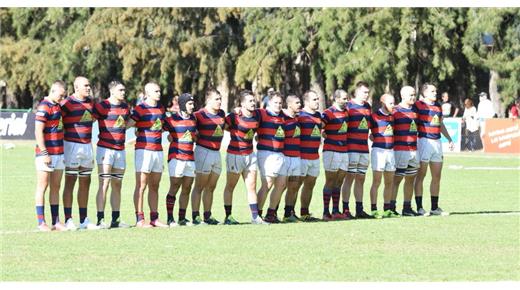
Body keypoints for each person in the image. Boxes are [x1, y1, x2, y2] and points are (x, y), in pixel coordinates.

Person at [61, 76, 99, 230]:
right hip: (71, 146)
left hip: (87, 146)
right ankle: (69, 219)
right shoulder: (67, 103)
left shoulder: (91, 103)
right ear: (76, 87)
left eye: (89, 85)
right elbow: (58, 121)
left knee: (86, 182)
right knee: (70, 181)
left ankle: (84, 220)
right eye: (86, 85)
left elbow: (93, 118)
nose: (89, 88)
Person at [92, 81, 131, 229]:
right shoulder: (102, 106)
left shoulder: (125, 108)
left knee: (117, 185)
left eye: (124, 90)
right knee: (104, 183)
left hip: (120, 151)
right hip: (105, 150)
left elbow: (127, 123)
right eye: (120, 90)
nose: (123, 92)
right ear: (112, 91)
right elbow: (89, 121)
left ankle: (116, 219)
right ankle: (100, 219)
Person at [130, 82, 168, 228]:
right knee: (141, 185)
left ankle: (154, 218)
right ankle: (140, 219)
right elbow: (130, 124)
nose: (159, 93)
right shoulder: (140, 109)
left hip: (158, 151)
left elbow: (162, 126)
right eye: (156, 91)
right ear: (147, 93)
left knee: (155, 185)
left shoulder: (160, 108)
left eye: (159, 90)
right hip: (143, 150)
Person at [222, 90, 263, 225]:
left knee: (251, 186)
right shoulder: (234, 116)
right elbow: (224, 126)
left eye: (254, 100)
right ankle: (228, 216)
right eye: (250, 101)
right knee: (231, 186)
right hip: (235, 155)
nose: (253, 103)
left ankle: (255, 217)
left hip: (250, 155)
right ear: (242, 103)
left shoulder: (257, 114)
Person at [414, 83, 454, 216]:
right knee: (421, 176)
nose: (435, 93)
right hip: (424, 141)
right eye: (432, 91)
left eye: (436, 91)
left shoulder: (438, 106)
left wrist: (449, 138)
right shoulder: (418, 105)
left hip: (437, 142)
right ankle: (419, 207)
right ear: (424, 93)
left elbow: (440, 124)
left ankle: (434, 208)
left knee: (437, 176)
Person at [34, 80, 68, 231]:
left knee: (56, 187)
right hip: (45, 154)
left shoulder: (58, 106)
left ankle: (56, 221)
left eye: (63, 96)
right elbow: (37, 131)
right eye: (60, 95)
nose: (62, 98)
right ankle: (41, 222)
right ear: (53, 91)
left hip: (59, 153)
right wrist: (44, 152)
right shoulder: (44, 106)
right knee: (43, 186)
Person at [191, 88, 226, 225]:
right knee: (199, 186)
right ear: (208, 100)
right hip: (203, 152)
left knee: (211, 187)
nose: (219, 102)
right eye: (216, 99)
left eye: (220, 99)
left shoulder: (222, 113)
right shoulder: (198, 115)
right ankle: (195, 216)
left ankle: (207, 215)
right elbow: (190, 130)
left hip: (217, 153)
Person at [162, 93, 197, 227]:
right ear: (182, 105)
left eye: (193, 104)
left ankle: (182, 218)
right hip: (176, 158)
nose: (192, 106)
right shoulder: (171, 120)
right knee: (175, 187)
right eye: (189, 104)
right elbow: (159, 129)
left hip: (190, 158)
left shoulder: (194, 119)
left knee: (187, 188)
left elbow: (194, 135)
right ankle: (170, 218)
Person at [341, 81, 373, 219]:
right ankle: (346, 209)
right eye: (364, 92)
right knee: (349, 178)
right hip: (351, 148)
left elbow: (369, 124)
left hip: (364, 148)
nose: (366, 95)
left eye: (367, 92)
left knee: (361, 179)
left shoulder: (367, 106)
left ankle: (359, 209)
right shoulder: (348, 106)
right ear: (357, 91)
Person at [255, 92, 286, 224]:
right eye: (275, 103)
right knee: (267, 184)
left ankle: (271, 213)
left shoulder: (283, 116)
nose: (278, 105)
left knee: (282, 184)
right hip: (266, 153)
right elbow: (247, 113)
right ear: (269, 102)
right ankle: (257, 214)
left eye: (280, 103)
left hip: (280, 154)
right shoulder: (261, 113)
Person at [321, 89, 349, 221]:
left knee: (339, 181)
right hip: (331, 150)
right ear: (336, 99)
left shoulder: (346, 112)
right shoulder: (328, 113)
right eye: (344, 98)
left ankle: (336, 211)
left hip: (344, 151)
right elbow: (319, 126)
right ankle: (326, 213)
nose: (346, 100)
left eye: (347, 98)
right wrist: (322, 132)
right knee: (330, 181)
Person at [369, 94, 398, 219]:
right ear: (383, 103)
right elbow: (367, 131)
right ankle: (374, 209)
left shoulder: (393, 117)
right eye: (390, 103)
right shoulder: (374, 116)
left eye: (394, 103)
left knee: (389, 182)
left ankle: (387, 210)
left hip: (391, 152)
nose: (393, 105)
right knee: (376, 182)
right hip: (378, 151)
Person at [392, 86, 420, 216]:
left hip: (414, 149)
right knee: (396, 180)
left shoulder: (415, 110)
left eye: (414, 95)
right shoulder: (395, 111)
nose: (413, 97)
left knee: (410, 179)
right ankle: (391, 207)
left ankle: (407, 208)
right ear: (402, 96)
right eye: (410, 95)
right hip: (400, 150)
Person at [296, 90, 322, 222]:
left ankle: (304, 213)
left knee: (310, 184)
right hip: (302, 157)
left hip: (315, 157)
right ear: (306, 102)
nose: (317, 101)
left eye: (317, 99)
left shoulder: (319, 115)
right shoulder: (299, 115)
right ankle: (289, 212)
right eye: (314, 99)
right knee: (295, 185)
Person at [279, 94, 302, 222]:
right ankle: (272, 212)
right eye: (297, 103)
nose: (300, 105)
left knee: (294, 186)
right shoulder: (282, 118)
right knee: (281, 187)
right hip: (285, 157)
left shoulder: (299, 118)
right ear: (289, 105)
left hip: (296, 158)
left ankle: (288, 214)